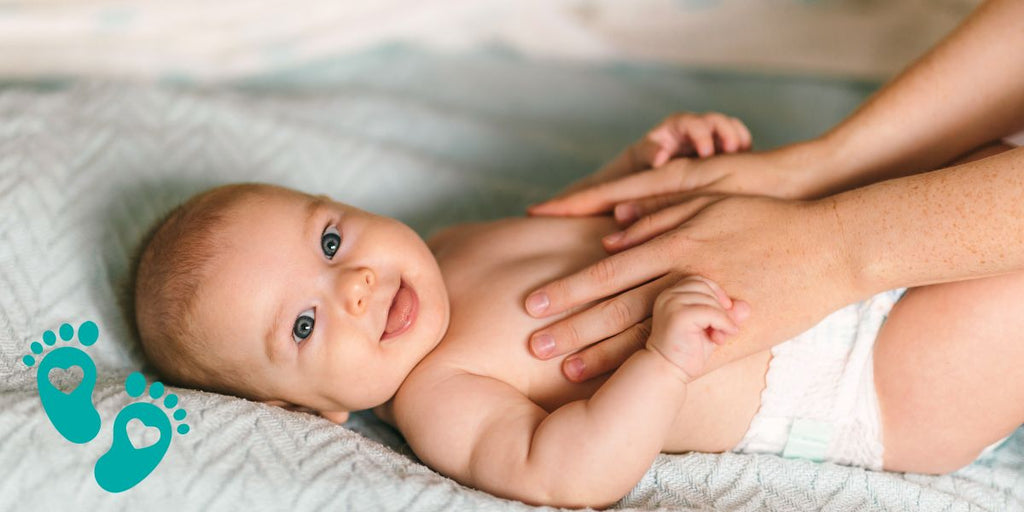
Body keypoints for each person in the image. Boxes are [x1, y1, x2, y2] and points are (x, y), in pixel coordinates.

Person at [133, 176, 1022, 507]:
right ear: (315, 410)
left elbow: (591, 225)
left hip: (835, 249)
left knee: (991, 163)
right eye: (304, 323)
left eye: (329, 243)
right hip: (857, 380)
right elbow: (570, 471)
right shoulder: (438, 395)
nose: (354, 284)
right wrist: (662, 362)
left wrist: (652, 167)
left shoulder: (451, 247)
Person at [522, 0, 1024, 388]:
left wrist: (832, 246)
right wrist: (821, 169)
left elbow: (563, 476)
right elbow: (561, 473)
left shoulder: (443, 269)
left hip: (846, 355)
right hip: (863, 373)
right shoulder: (445, 387)